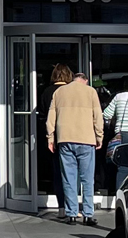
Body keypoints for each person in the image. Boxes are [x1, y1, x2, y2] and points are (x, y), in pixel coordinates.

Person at [44, 63, 103, 225]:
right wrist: (100, 136)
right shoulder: (91, 92)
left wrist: (51, 138)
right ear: (84, 81)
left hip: (65, 139)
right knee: (87, 179)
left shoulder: (59, 92)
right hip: (86, 139)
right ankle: (88, 214)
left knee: (68, 178)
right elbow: (98, 116)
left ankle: (71, 214)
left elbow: (51, 118)